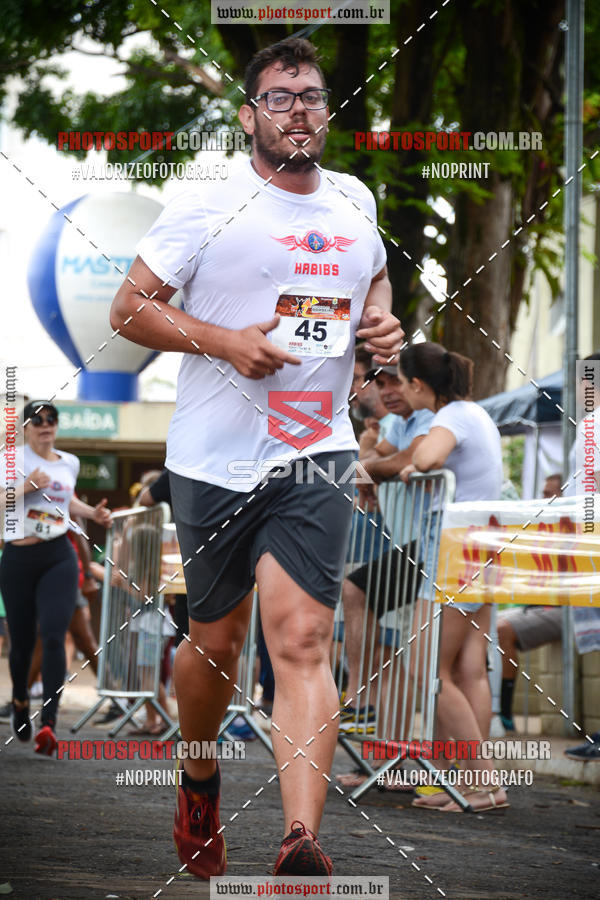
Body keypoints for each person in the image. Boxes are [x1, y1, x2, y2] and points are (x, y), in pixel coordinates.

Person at [110, 37, 403, 877]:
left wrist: (381, 325)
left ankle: (300, 838)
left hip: (318, 449)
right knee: (216, 644)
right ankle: (198, 775)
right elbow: (129, 311)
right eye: (279, 97)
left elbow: (373, 282)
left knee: (304, 635)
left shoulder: (354, 199)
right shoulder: (209, 200)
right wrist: (224, 343)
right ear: (250, 115)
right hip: (214, 457)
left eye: (311, 94)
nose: (299, 108)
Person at [396, 342, 509, 812]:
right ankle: (471, 783)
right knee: (467, 671)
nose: (401, 391)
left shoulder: (451, 418)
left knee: (426, 669)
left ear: (419, 385)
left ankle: (483, 784)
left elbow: (426, 461)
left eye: (402, 383)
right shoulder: (475, 413)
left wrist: (409, 466)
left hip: (458, 555)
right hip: (485, 551)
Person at [0, 400, 111, 755]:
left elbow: (67, 501)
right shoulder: (10, 459)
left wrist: (92, 512)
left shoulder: (70, 463)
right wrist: (27, 487)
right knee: (20, 645)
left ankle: (49, 721)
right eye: (38, 420)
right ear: (26, 427)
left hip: (58, 555)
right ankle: (19, 700)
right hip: (18, 555)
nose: (45, 425)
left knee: (52, 635)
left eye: (51, 419)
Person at [339, 365, 433, 735]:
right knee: (393, 659)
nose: (386, 390)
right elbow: (365, 462)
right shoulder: (397, 423)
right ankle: (385, 761)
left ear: (417, 382)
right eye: (379, 383)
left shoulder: (432, 417)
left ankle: (459, 774)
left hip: (434, 551)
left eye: (393, 381)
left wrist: (372, 471)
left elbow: (396, 462)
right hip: (411, 547)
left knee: (430, 669)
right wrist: (370, 469)